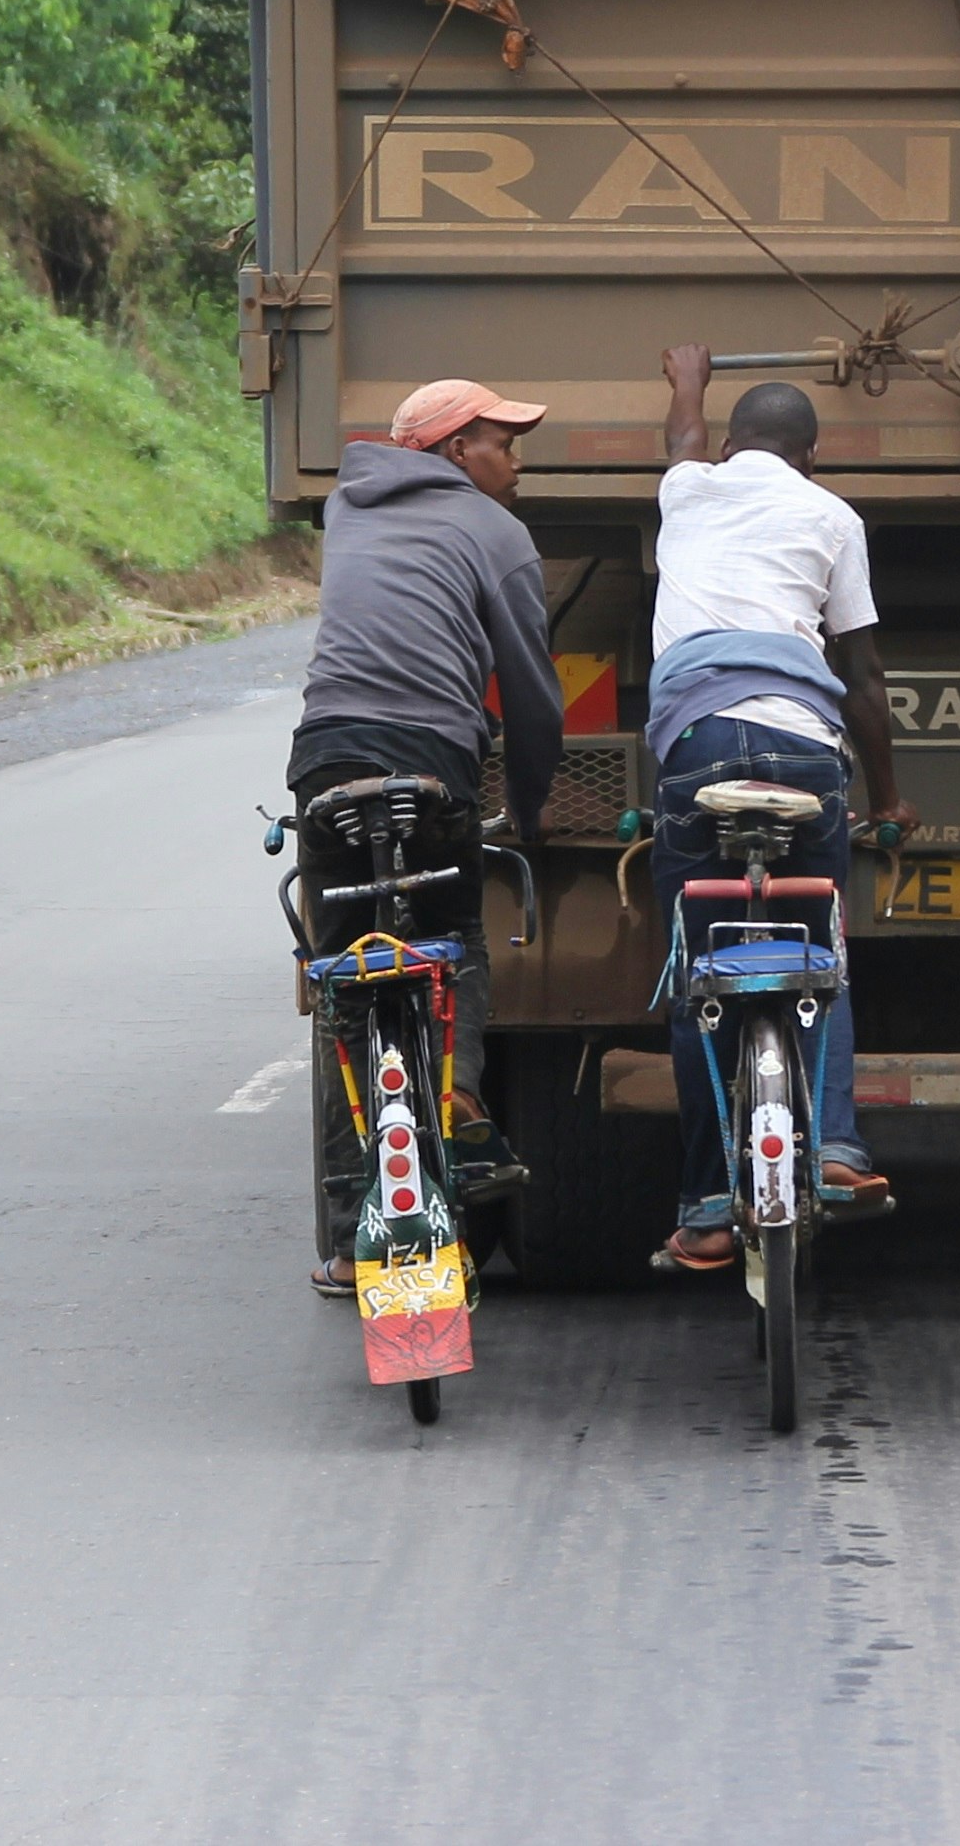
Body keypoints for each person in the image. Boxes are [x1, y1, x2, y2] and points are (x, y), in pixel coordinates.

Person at [285, 376, 559, 1298]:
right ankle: (461, 1093)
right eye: (501, 444)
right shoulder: (499, 533)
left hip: (325, 762)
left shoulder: (346, 506)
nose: (515, 464)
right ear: (453, 453)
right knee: (458, 938)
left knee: (344, 987)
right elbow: (529, 695)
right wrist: (526, 810)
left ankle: (340, 1243)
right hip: (431, 767)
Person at [642, 339, 911, 1272]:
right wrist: (890, 799)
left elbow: (683, 435)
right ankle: (836, 1146)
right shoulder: (832, 515)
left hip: (696, 743)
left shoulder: (688, 490)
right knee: (820, 947)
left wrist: (688, 379)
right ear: (811, 456)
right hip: (803, 743)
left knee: (698, 959)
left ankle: (710, 1202)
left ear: (728, 447)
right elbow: (864, 675)